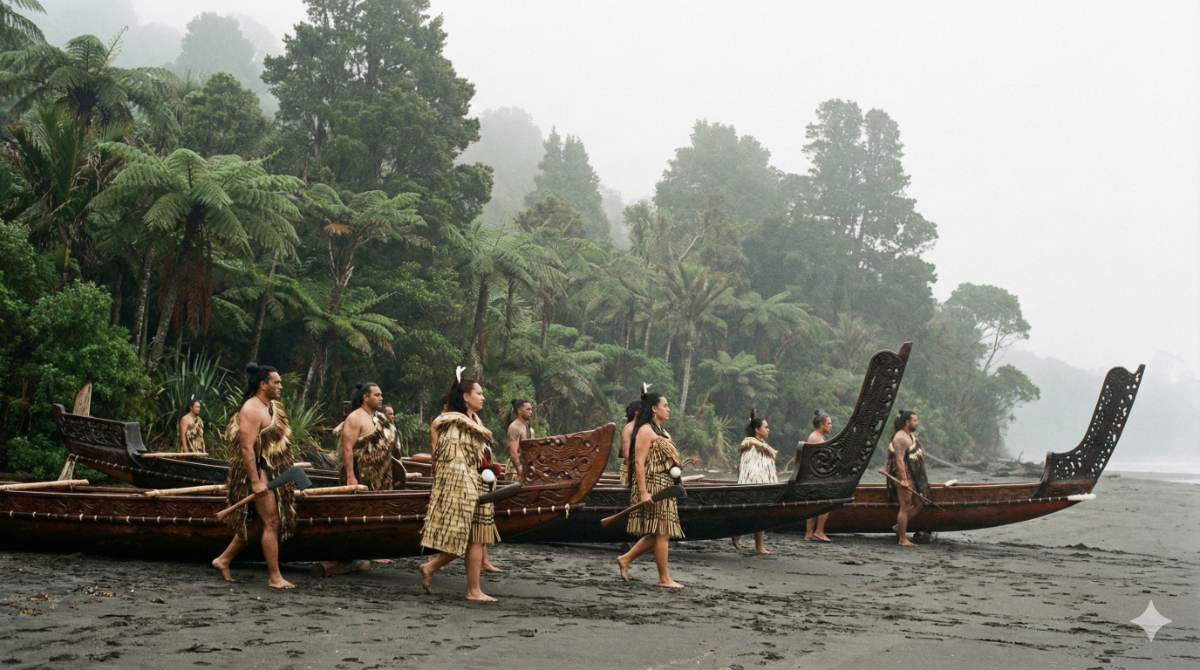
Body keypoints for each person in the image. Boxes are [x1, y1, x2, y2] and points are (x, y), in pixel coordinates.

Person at [211, 364, 296, 589]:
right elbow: (246, 448)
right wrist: (256, 482)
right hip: (258, 471)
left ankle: (223, 560)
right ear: (263, 384)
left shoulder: (271, 406)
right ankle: (275, 578)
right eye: (276, 382)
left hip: (273, 470)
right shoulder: (251, 409)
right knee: (272, 521)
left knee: (260, 524)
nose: (280, 386)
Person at [419, 374, 501, 602]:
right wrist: (467, 491)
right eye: (479, 393)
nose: (483, 397)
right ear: (466, 397)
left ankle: (473, 590)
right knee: (459, 538)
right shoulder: (453, 423)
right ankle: (432, 568)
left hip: (480, 485)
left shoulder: (474, 420)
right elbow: (452, 462)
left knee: (477, 538)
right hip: (464, 488)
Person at [616, 392, 684, 589]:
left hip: (665, 484)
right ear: (654, 408)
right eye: (665, 405)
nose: (668, 409)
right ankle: (664, 579)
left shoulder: (661, 430)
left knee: (659, 532)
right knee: (662, 532)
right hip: (652, 485)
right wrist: (644, 492)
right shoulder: (645, 430)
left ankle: (626, 559)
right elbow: (638, 463)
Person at [731, 410, 777, 554]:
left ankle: (756, 545)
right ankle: (743, 536)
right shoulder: (751, 445)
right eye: (766, 427)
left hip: (762, 486)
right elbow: (751, 468)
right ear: (757, 429)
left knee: (760, 515)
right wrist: (760, 485)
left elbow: (765, 467)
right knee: (756, 514)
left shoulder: (761, 444)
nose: (768, 429)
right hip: (755, 486)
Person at [336, 382, 392, 492]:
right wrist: (350, 476)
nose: (381, 398)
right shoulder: (355, 418)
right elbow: (347, 448)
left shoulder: (379, 418)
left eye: (381, 395)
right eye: (377, 395)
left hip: (382, 479)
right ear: (366, 397)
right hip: (362, 480)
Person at [888, 410, 930, 547]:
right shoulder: (900, 438)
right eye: (915, 421)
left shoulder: (909, 435)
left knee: (919, 503)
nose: (917, 423)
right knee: (905, 507)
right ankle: (902, 539)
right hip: (904, 476)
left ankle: (898, 527)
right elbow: (899, 460)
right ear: (907, 422)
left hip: (913, 476)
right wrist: (904, 479)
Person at [804, 410, 835, 542]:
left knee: (813, 504)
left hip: (813, 475)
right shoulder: (816, 437)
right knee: (827, 501)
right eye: (829, 423)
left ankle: (809, 534)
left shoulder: (818, 436)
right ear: (821, 424)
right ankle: (819, 531)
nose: (831, 425)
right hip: (816, 476)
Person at [505, 399, 533, 481]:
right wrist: (520, 471)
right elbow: (513, 452)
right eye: (528, 409)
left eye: (531, 409)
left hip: (525, 467)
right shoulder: (515, 427)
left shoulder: (526, 426)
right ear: (519, 410)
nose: (531, 412)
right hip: (515, 471)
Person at [618, 400, 641, 486]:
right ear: (636, 412)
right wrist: (630, 476)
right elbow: (627, 455)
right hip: (628, 470)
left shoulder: (637, 427)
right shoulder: (629, 428)